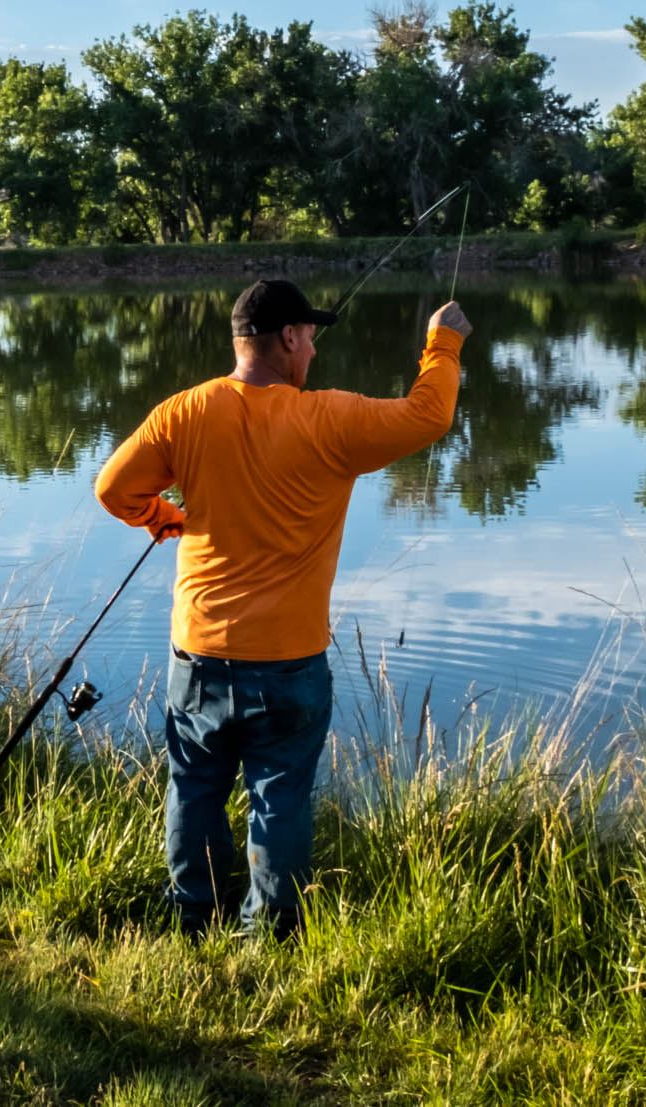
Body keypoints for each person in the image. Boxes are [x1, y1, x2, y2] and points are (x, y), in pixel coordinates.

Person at [93, 277, 470, 940]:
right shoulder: (331, 420)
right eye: (311, 339)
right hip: (289, 664)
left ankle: (192, 918)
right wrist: (442, 342)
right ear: (288, 338)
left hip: (199, 654)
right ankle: (268, 934)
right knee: (280, 798)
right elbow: (429, 416)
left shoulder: (186, 410)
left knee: (194, 789)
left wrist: (163, 518)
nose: (315, 353)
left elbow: (112, 488)